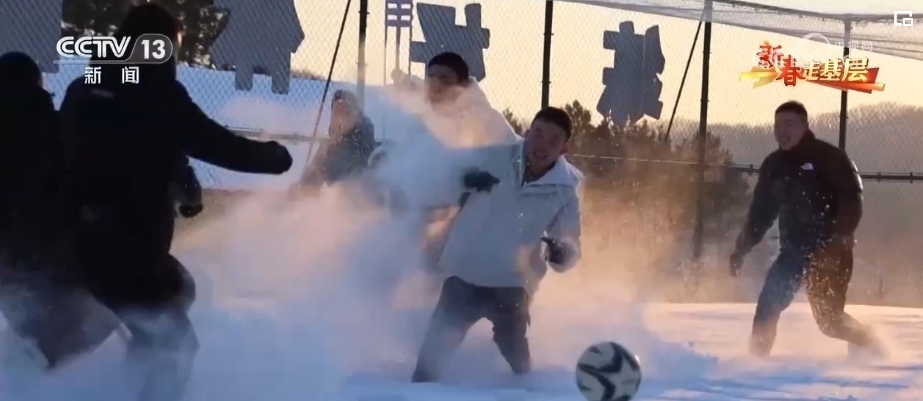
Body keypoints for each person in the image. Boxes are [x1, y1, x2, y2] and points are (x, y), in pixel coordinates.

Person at [57, 3, 292, 400]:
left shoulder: (85, 88)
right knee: (176, 344)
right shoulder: (158, 93)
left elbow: (141, 144)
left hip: (79, 239)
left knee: (177, 291)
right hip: (127, 247)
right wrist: (274, 158)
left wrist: (186, 185)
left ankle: (112, 376)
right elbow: (213, 142)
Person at [410, 107, 582, 382]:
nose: (542, 145)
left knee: (515, 351)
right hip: (465, 272)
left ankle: (529, 389)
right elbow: (442, 180)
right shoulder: (494, 157)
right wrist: (463, 181)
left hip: (512, 283)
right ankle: (418, 391)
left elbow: (570, 239)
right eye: (538, 134)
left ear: (564, 149)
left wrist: (563, 253)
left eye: (553, 140)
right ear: (527, 133)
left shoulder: (565, 189)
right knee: (432, 356)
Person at [729, 101, 884, 358]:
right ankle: (755, 363)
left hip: (831, 252)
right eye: (777, 125)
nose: (782, 131)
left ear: (805, 126)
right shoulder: (773, 166)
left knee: (830, 321)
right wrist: (740, 249)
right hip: (794, 251)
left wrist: (837, 239)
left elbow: (852, 201)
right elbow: (760, 215)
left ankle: (868, 340)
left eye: (789, 124)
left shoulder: (831, 158)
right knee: (769, 302)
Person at [299, 89, 376, 190]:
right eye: (336, 112)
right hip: (335, 191)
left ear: (355, 114)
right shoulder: (332, 141)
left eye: (346, 111)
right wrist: (304, 186)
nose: (340, 117)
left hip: (359, 191)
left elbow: (357, 169)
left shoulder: (362, 137)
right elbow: (316, 169)